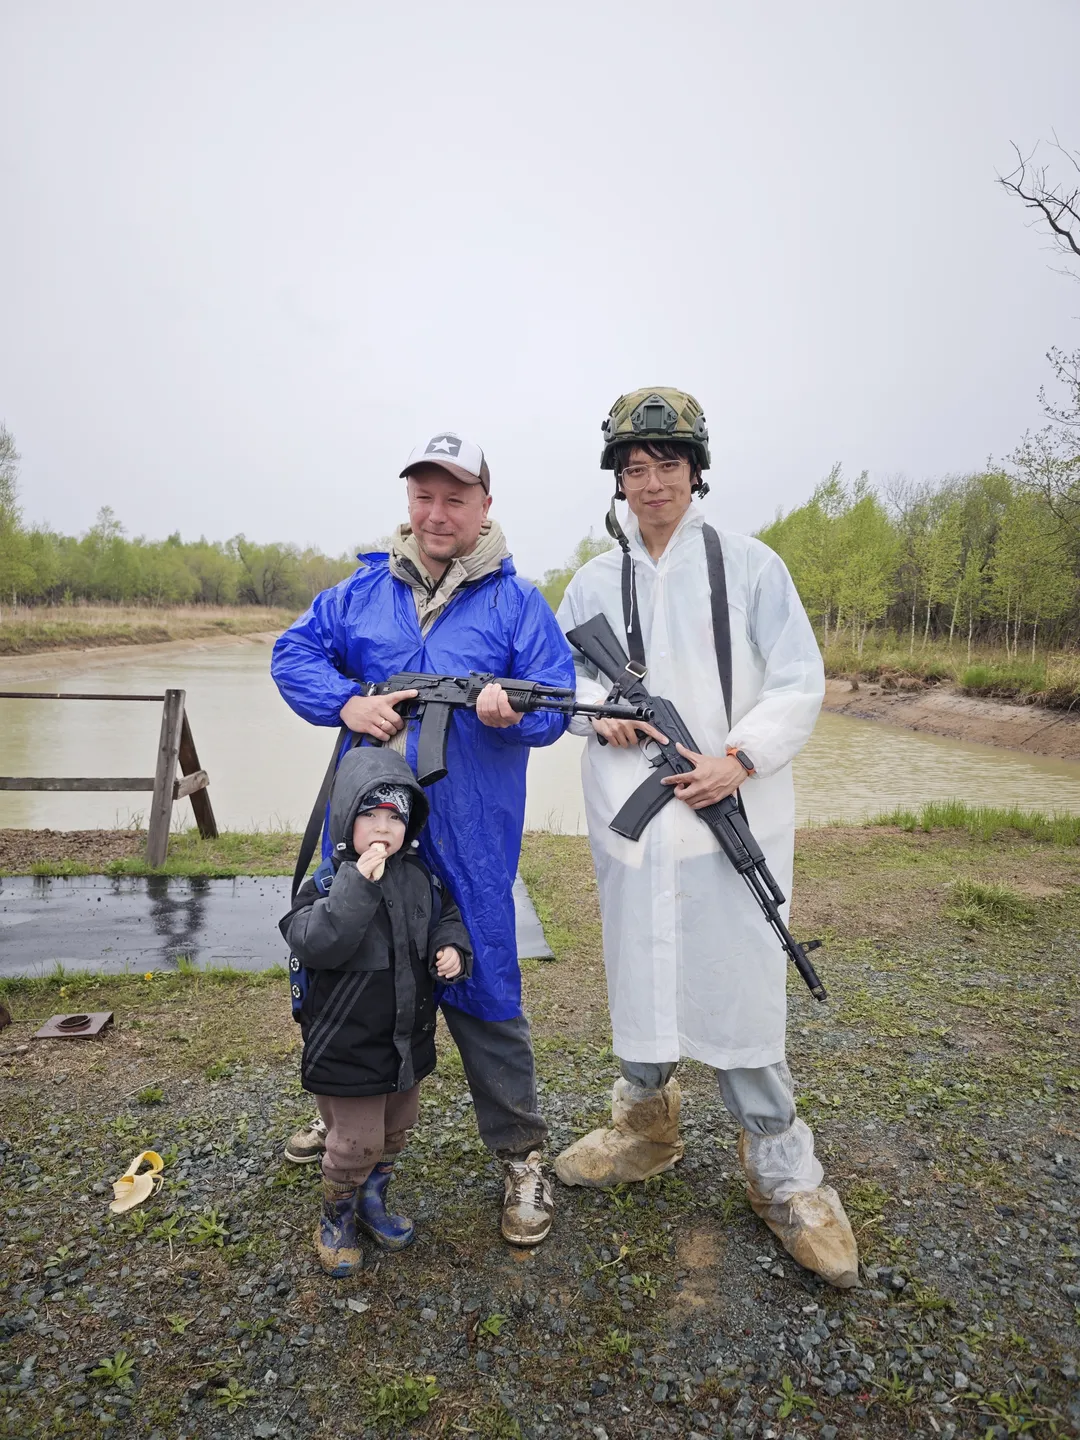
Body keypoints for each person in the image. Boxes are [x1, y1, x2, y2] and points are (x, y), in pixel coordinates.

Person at [552, 388, 859, 1288]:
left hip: (732, 815)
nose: (652, 484)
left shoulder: (753, 567)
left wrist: (740, 757)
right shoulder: (589, 583)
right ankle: (645, 1129)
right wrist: (597, 712)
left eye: (668, 467)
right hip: (635, 824)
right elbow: (561, 682)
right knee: (641, 975)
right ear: (618, 480)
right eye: (635, 469)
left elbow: (800, 679)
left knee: (743, 989)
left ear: (696, 472)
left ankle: (783, 1173)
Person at [271, 431, 575, 1246]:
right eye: (424, 496)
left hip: (471, 840)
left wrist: (517, 711)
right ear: (409, 501)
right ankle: (342, 1123)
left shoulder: (518, 603)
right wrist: (345, 703)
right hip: (370, 833)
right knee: (348, 975)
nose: (437, 514)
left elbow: (557, 702)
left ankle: (520, 1155)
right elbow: (292, 651)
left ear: (484, 506)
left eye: (455, 497)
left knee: (483, 985)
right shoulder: (361, 591)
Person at [280, 747, 470, 1276]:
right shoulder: (323, 886)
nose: (383, 828)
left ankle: (371, 1202)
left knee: (395, 1130)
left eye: (395, 817)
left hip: (406, 1039)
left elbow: (446, 918)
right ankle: (335, 1214)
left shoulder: (420, 879)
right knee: (354, 1142)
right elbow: (317, 943)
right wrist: (357, 886)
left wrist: (453, 947)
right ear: (347, 819)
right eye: (371, 815)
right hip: (346, 1046)